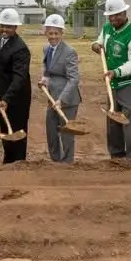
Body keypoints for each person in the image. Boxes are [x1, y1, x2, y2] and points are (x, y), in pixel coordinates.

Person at [91, 0, 131, 163]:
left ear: (125, 12)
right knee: (113, 121)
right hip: (113, 83)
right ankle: (116, 157)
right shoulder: (108, 28)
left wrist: (117, 72)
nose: (114, 18)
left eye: (117, 15)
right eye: (111, 15)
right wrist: (95, 45)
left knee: (129, 123)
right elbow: (99, 41)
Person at [0, 8, 32, 164]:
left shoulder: (21, 49)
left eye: (9, 27)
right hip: (2, 89)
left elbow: (19, 78)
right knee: (4, 125)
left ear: (15, 28)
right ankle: (8, 158)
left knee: (17, 127)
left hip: (18, 95)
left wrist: (7, 98)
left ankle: (18, 161)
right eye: (2, 26)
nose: (4, 30)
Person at [38, 14, 81, 164]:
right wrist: (44, 79)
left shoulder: (69, 51)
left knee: (67, 133)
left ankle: (67, 163)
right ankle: (56, 161)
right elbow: (47, 68)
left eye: (56, 33)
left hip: (67, 99)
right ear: (46, 33)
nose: (53, 37)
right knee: (51, 131)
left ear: (62, 33)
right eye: (50, 33)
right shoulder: (46, 49)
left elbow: (74, 78)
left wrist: (61, 99)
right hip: (51, 97)